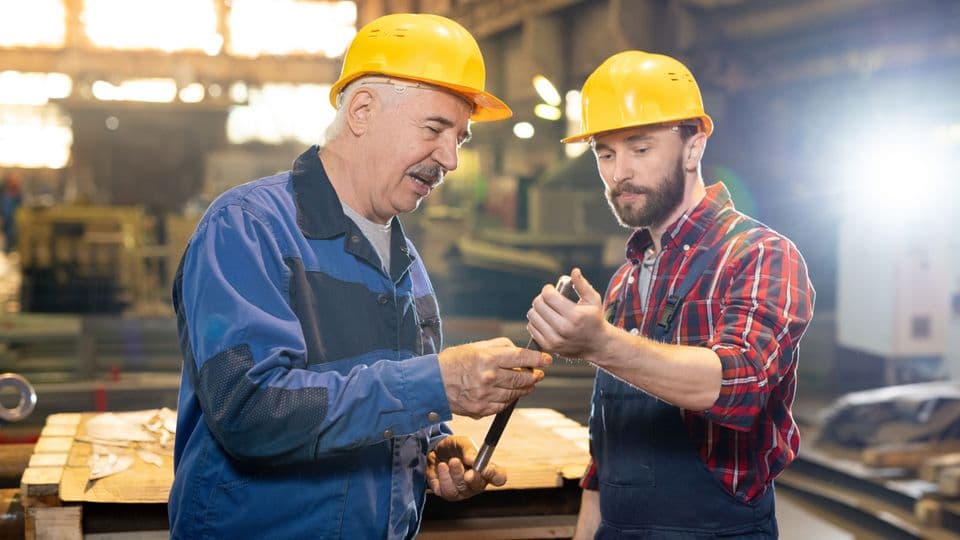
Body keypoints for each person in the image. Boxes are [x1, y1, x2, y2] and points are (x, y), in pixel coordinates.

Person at [168, 14, 551, 539]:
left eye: (460, 139)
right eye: (435, 129)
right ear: (363, 110)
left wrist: (433, 446)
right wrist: (434, 383)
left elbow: (387, 402)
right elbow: (250, 410)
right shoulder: (248, 228)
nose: (450, 160)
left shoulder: (407, 265)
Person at [527, 51, 815, 539]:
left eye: (640, 149)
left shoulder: (759, 255)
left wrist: (601, 344)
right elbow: (604, 456)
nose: (619, 172)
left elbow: (739, 386)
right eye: (605, 154)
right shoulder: (623, 282)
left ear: (693, 147)